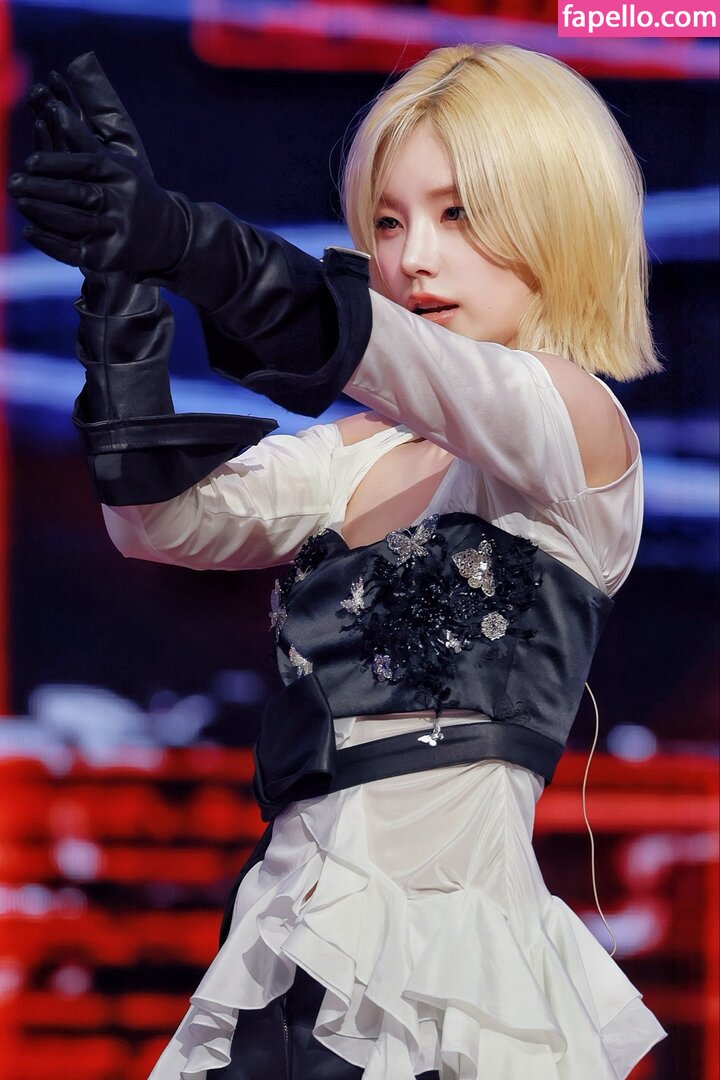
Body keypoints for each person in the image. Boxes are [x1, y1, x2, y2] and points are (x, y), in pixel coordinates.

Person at [8, 44, 666, 1079]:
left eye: (460, 214)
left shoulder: (576, 428)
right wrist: (119, 273)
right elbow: (157, 520)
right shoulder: (355, 453)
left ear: (557, 217)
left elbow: (379, 351)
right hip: (286, 938)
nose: (414, 259)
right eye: (388, 223)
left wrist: (184, 238)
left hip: (447, 970)